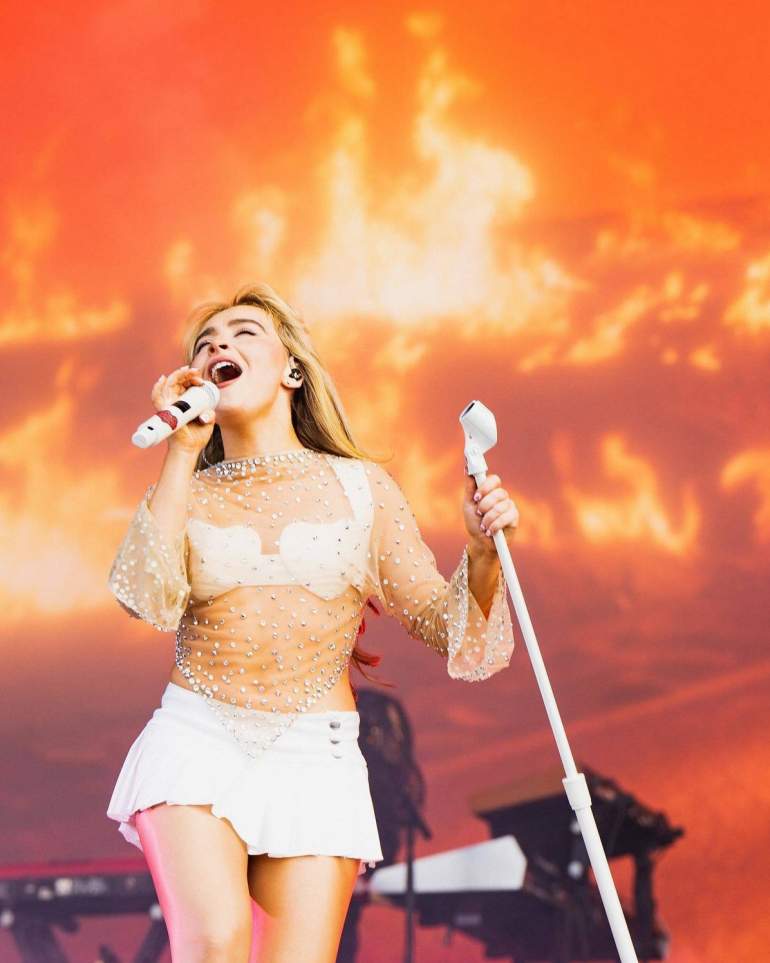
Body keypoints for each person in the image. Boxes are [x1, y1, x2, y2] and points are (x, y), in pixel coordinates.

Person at [105, 282, 519, 963]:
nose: (218, 346)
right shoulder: (186, 489)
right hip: (196, 735)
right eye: (205, 344)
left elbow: (446, 626)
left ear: (292, 371)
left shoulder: (362, 487)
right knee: (213, 943)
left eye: (243, 333)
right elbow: (145, 598)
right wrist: (180, 452)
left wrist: (480, 553)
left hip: (315, 753)